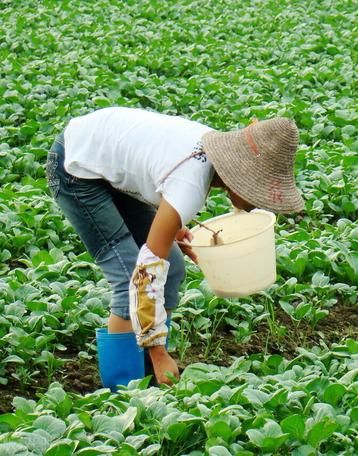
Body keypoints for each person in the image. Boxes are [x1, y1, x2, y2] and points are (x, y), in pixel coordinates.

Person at [46, 107, 304, 389]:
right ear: (238, 174)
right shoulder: (189, 184)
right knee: (128, 274)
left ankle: (150, 381)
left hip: (107, 162)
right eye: (259, 188)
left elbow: (155, 167)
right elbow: (145, 274)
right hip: (76, 167)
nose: (258, 201)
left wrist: (171, 223)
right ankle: (123, 392)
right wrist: (160, 355)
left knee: (172, 264)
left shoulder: (206, 155)